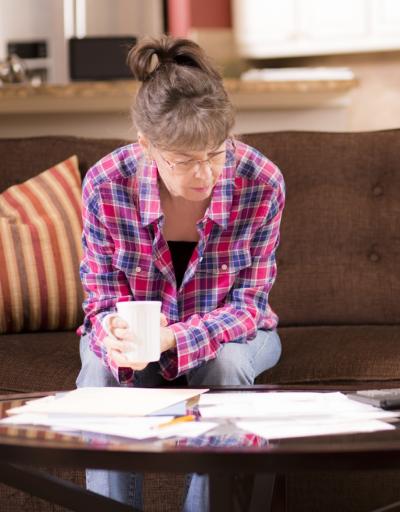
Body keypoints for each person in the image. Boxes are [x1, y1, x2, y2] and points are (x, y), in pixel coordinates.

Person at [75, 35, 284, 510]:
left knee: (227, 365)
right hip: (139, 341)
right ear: (147, 146)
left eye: (215, 154)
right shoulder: (107, 184)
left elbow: (249, 306)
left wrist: (174, 339)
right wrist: (113, 330)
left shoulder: (261, 181)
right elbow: (100, 299)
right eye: (185, 160)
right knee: (98, 370)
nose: (205, 175)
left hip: (234, 334)